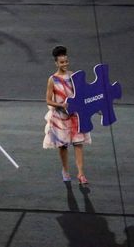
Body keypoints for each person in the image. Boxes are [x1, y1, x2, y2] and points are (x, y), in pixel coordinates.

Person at [44, 45, 91, 185]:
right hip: (60, 117)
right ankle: (65, 170)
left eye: (66, 61)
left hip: (75, 116)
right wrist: (61, 105)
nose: (65, 64)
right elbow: (48, 100)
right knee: (63, 146)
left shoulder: (73, 76)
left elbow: (81, 94)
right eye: (62, 62)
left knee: (78, 144)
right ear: (56, 63)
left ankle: (81, 174)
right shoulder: (52, 79)